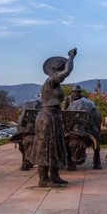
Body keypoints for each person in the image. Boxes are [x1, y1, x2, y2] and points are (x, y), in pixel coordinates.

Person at [31, 48, 76, 188]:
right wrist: (71, 57)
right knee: (45, 147)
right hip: (47, 118)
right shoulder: (51, 81)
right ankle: (43, 179)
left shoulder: (54, 83)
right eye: (60, 70)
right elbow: (68, 71)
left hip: (54, 117)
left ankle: (55, 175)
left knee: (55, 147)